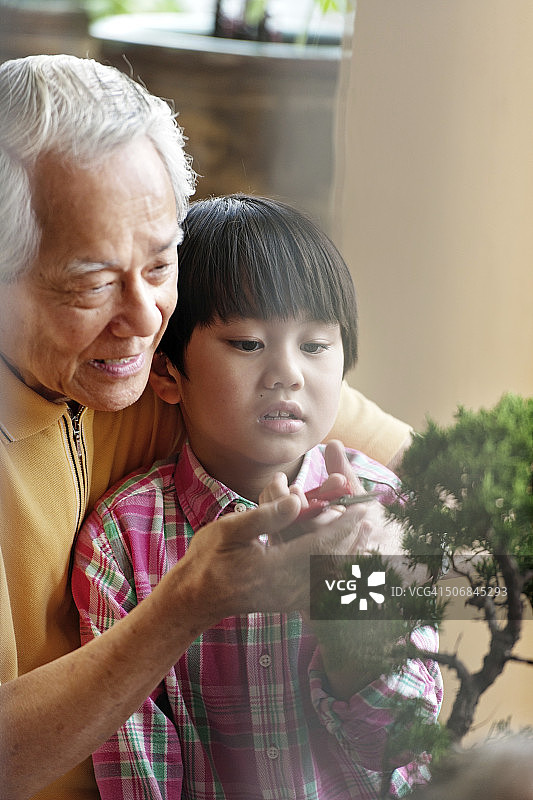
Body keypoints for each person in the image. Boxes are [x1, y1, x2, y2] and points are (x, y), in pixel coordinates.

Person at [0, 54, 413, 800]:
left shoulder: (168, 371)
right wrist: (189, 602)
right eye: (92, 282)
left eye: (160, 266)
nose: (143, 320)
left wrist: (373, 587)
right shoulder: (126, 528)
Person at [72, 195, 442, 800]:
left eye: (316, 345)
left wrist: (351, 616)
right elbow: (133, 767)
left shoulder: (379, 514)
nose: (287, 373)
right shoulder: (125, 539)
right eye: (247, 344)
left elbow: (402, 753)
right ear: (166, 373)